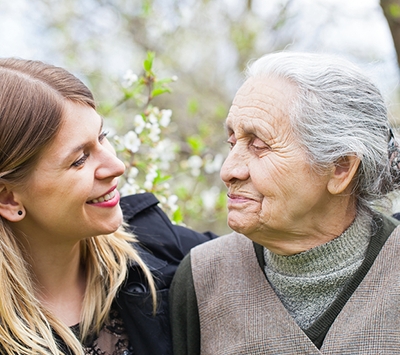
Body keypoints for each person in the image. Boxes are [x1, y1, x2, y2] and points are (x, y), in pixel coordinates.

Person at [170, 51, 400, 354]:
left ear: (340, 167)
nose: (229, 170)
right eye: (232, 142)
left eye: (259, 145)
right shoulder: (202, 278)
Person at [0, 58, 217, 355]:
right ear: (8, 199)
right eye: (80, 159)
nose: (117, 166)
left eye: (103, 137)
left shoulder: (158, 248)